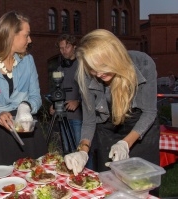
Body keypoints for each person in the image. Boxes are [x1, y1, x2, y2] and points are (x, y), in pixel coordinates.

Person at [64, 29, 160, 175]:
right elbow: (89, 121)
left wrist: (125, 144)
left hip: (141, 130)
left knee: (142, 185)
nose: (98, 74)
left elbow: (149, 112)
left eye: (102, 67)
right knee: (109, 185)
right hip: (108, 132)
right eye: (93, 69)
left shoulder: (143, 63)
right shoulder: (86, 74)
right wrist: (83, 151)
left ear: (114, 56)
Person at [0, 11, 48, 171]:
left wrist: (25, 106)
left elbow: (36, 96)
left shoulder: (28, 61)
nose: (30, 40)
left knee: (33, 180)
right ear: (12, 36)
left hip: (27, 130)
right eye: (26, 35)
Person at [49, 34, 82, 155]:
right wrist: (53, 103)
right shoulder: (59, 68)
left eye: (67, 47)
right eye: (61, 48)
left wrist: (78, 101)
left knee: (80, 151)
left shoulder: (82, 66)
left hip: (78, 117)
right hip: (63, 116)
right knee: (67, 152)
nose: (63, 51)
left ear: (74, 47)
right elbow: (57, 89)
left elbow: (89, 91)